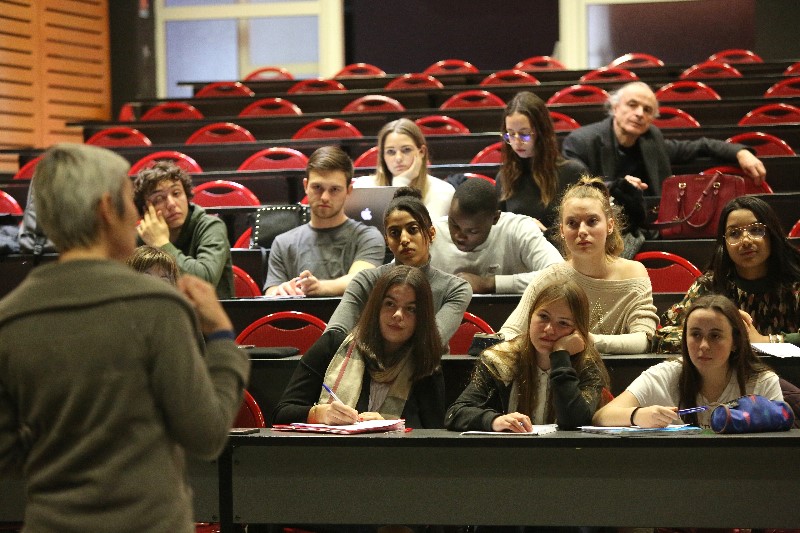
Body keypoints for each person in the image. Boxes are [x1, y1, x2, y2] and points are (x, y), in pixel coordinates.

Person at [0, 144, 250, 533]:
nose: (137, 216)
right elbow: (205, 435)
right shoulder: (157, 306)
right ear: (105, 209)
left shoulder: (9, 318)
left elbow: (5, 453)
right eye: (129, 201)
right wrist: (221, 340)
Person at [499, 177, 659, 354]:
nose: (582, 231)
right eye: (572, 223)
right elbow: (510, 332)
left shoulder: (634, 273)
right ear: (562, 230)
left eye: (592, 221)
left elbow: (645, 339)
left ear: (610, 225)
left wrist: (589, 341)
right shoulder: (552, 276)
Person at [273, 265, 445, 428]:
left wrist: (391, 424)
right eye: (390, 304)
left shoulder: (426, 365)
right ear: (376, 307)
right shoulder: (332, 345)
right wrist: (319, 414)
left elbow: (434, 434)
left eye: (411, 309)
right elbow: (281, 414)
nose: (398, 315)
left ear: (422, 318)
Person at [593, 294, 782, 429]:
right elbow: (602, 416)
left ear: (735, 342)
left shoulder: (763, 382)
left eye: (715, 336)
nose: (704, 345)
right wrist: (638, 415)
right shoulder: (663, 375)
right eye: (696, 334)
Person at [446, 279, 610, 432]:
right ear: (530, 316)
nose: (549, 329)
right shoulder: (499, 360)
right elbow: (456, 413)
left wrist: (561, 355)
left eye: (563, 323)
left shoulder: (587, 366)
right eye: (543, 317)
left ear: (577, 330)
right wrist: (495, 421)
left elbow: (574, 421)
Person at [562, 81, 767, 196]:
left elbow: (700, 146)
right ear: (615, 108)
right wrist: (618, 186)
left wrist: (740, 152)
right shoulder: (581, 141)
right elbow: (577, 186)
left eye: (647, 110)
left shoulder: (652, 140)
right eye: (632, 105)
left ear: (652, 118)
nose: (640, 113)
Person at [326, 187, 472, 347]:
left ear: (431, 234)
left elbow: (430, 344)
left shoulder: (455, 289)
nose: (404, 239)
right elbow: (333, 335)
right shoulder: (366, 280)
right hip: (370, 367)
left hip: (426, 370)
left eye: (412, 230)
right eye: (395, 232)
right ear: (387, 240)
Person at [653, 195, 800, 353]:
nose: (746, 240)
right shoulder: (711, 284)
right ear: (724, 243)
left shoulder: (794, 283)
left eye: (756, 230)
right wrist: (720, 331)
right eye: (734, 234)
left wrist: (765, 341)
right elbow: (663, 336)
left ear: (772, 234)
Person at [263, 146, 385, 296]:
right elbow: (271, 292)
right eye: (317, 187)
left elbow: (360, 280)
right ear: (305, 186)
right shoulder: (282, 243)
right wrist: (280, 292)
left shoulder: (368, 237)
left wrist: (319, 288)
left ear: (349, 191)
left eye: (334, 189)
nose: (325, 197)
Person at [430, 177, 563, 294]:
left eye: (472, 231)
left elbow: (559, 274)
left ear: (495, 218)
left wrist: (490, 284)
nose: (459, 236)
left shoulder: (519, 229)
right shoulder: (433, 233)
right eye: (454, 224)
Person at [133, 160, 234, 298]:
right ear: (146, 210)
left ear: (187, 197)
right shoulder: (141, 236)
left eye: (176, 193)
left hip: (206, 316)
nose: (171, 204)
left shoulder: (210, 226)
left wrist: (161, 243)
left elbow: (204, 281)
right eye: (159, 199)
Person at [495, 91, 588, 233]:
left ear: (541, 132)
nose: (517, 142)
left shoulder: (572, 172)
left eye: (524, 134)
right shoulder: (504, 177)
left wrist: (545, 233)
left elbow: (586, 227)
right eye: (511, 134)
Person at [354, 118, 455, 219]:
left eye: (406, 150)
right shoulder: (363, 187)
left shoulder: (443, 191)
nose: (398, 158)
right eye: (391, 152)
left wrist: (401, 181)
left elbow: (415, 230)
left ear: (421, 152)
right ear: (382, 156)